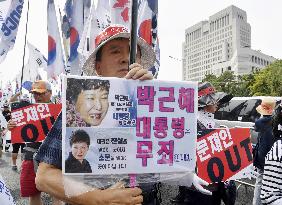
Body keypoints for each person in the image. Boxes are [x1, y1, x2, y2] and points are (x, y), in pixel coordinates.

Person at [34, 25, 156, 205]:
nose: (125, 59)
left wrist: (156, 100)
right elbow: (44, 177)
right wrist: (99, 198)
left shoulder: (156, 104)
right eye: (115, 52)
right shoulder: (79, 109)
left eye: (132, 53)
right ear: (98, 67)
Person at [171, 82, 234, 204]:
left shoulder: (214, 123)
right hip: (197, 185)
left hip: (216, 183)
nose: (217, 103)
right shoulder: (190, 124)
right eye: (213, 100)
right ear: (204, 102)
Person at [7, 80, 57, 205]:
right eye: (34, 94)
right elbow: (16, 128)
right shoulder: (25, 111)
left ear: (50, 93)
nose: (37, 97)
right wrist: (11, 125)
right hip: (30, 156)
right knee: (33, 193)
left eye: (40, 93)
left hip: (55, 157)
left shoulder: (60, 110)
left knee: (57, 195)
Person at [252, 97, 276, 205]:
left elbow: (256, 128)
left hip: (262, 156)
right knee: (273, 181)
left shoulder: (260, 122)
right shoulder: (275, 121)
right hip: (274, 155)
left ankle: (256, 203)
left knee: (260, 181)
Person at [260, 101, 282, 205]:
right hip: (266, 161)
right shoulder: (279, 149)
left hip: (262, 159)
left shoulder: (262, 122)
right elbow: (269, 195)